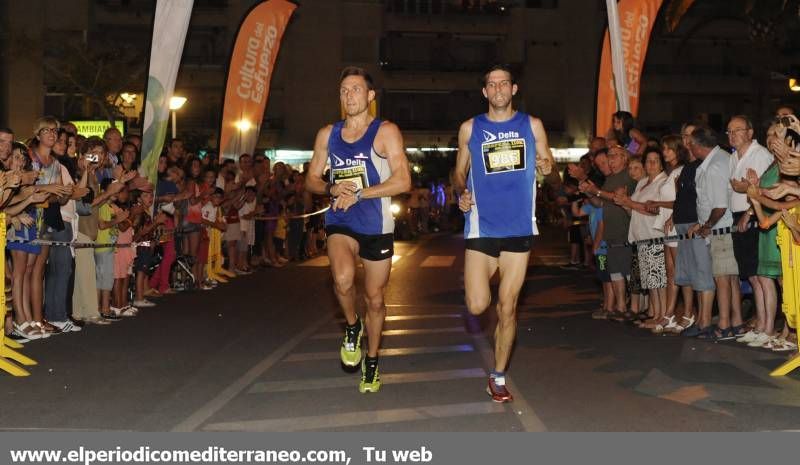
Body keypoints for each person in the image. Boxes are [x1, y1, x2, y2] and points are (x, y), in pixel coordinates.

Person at [454, 64, 557, 403]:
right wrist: (461, 194)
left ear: (514, 89)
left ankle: (497, 377)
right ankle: (495, 355)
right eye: (491, 84)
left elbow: (550, 170)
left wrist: (547, 168)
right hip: (482, 227)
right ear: (485, 91)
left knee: (508, 307)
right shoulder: (470, 128)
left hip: (518, 228)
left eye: (504, 83)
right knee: (477, 303)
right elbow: (458, 174)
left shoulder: (533, 125)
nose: (498, 89)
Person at [305, 66, 411, 394]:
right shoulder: (327, 134)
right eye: (343, 90)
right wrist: (332, 189)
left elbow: (403, 180)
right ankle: (352, 326)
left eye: (355, 89)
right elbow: (311, 179)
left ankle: (373, 359)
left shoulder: (386, 131)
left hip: (376, 222)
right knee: (342, 278)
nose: (349, 95)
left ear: (370, 96)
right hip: (342, 220)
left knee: (375, 298)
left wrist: (360, 193)